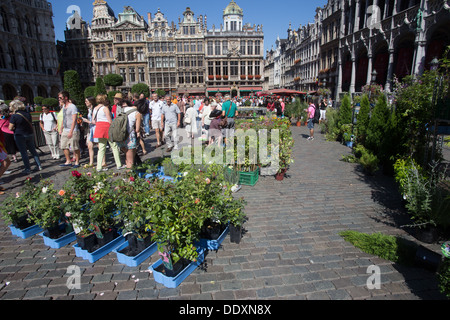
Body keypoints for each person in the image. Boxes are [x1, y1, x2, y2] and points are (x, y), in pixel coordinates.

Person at [8, 100, 42, 174]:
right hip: (29, 134)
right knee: (33, 150)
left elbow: (10, 128)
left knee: (24, 153)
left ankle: (27, 168)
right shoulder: (27, 114)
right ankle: (39, 165)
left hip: (20, 135)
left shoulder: (14, 116)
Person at [92, 94, 124, 172]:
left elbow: (93, 121)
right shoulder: (105, 108)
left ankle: (99, 167)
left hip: (99, 127)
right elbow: (110, 121)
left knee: (101, 148)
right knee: (114, 146)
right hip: (106, 127)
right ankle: (119, 164)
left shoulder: (95, 109)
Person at [58, 91, 81, 168]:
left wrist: (71, 131)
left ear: (66, 98)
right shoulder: (64, 107)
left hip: (73, 130)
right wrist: (61, 127)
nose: (59, 99)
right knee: (63, 146)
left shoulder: (72, 107)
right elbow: (64, 118)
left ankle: (77, 162)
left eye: (60, 98)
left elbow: (74, 119)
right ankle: (68, 161)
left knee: (75, 147)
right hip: (65, 129)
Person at [119, 99, 139, 169]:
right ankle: (129, 178)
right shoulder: (137, 113)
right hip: (129, 137)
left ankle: (130, 174)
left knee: (127, 158)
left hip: (120, 136)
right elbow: (137, 129)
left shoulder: (123, 110)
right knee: (130, 161)